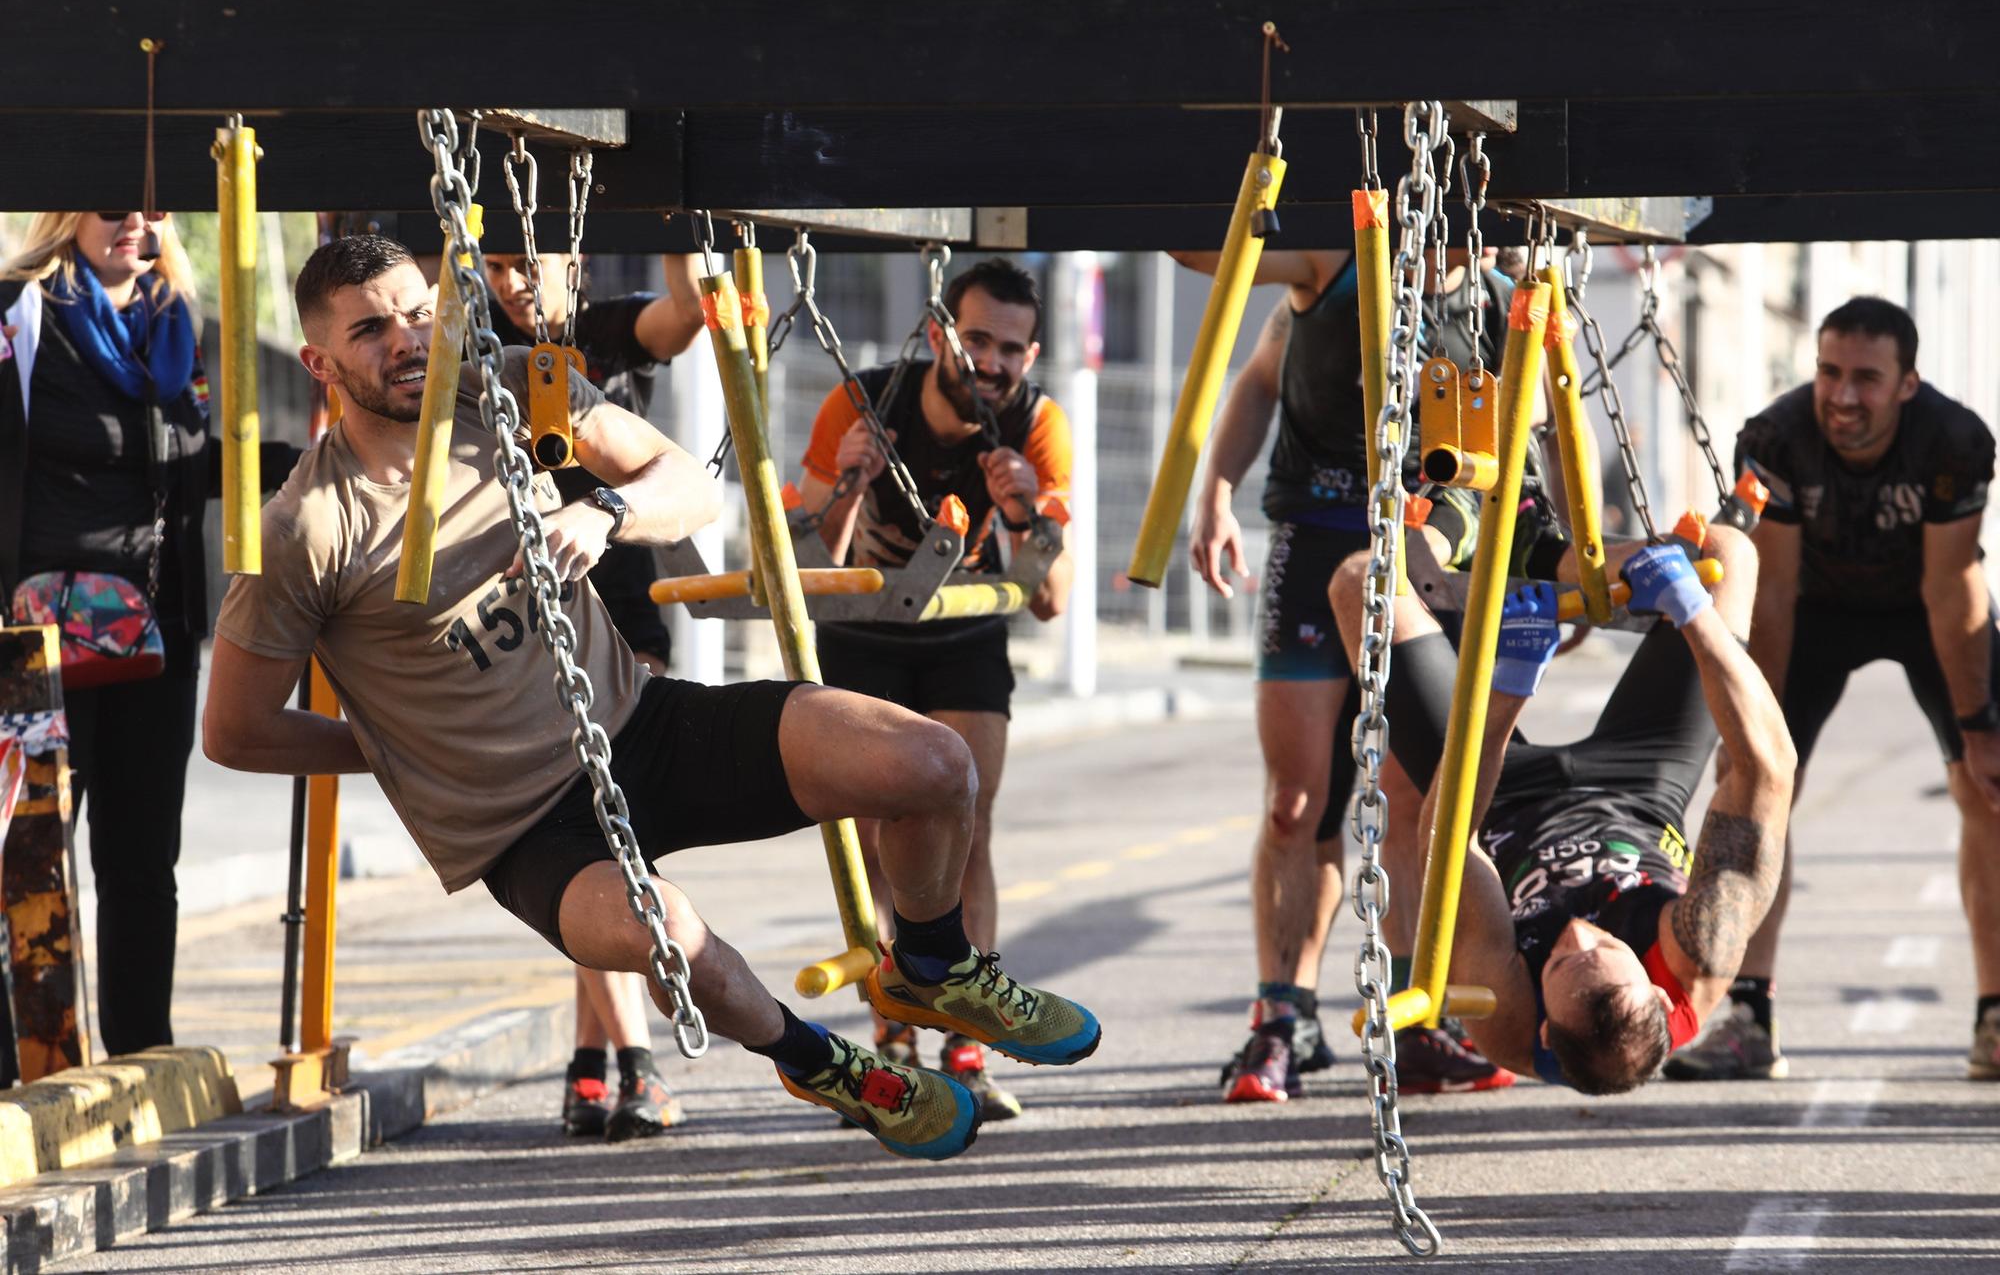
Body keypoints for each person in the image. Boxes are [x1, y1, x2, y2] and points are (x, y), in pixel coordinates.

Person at [201, 236, 1100, 1161]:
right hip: (527, 830)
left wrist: (604, 511)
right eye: (370, 329)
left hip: (643, 723)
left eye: (419, 312)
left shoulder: (511, 383)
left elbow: (687, 486)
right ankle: (817, 1060)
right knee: (668, 932)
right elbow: (234, 729)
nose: (407, 340)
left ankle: (932, 962)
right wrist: (396, 749)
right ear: (319, 361)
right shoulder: (307, 525)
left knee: (932, 765)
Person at [1174, 243, 1554, 1103]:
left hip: (1435, 554)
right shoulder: (1337, 260)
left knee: (1415, 799)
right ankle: (1283, 1014)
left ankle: (1414, 1016)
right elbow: (1238, 331)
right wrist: (1216, 492)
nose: (1459, 239)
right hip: (1320, 531)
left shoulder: (1502, 301)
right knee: (1296, 800)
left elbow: (1539, 449)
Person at [1327, 511, 1796, 1093]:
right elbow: (1767, 771)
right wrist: (1692, 611)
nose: (1576, 933)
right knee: (1729, 551)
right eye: (1604, 945)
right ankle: (1546, 549)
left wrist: (1510, 687)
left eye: (1557, 961)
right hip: (1641, 788)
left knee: (1358, 583)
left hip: (1496, 803)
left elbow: (1446, 839)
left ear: (1545, 1029)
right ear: (1655, 986)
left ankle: (1454, 522)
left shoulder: (1505, 1016)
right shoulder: (1701, 948)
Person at [1667, 296, 2000, 1081]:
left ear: (1907, 385)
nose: (1843, 395)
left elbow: (1953, 588)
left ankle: (1995, 1015)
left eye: (1866, 378)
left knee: (1987, 790)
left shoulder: (1953, 441)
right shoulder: (1777, 437)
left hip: (1923, 607)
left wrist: (1980, 725)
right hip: (1813, 606)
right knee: (1758, 787)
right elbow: (1771, 594)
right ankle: (1748, 1010)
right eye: (1828, 372)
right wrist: (1752, 726)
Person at [0, 211, 288, 1058]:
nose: (133, 220)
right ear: (66, 216)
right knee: (26, 860)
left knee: (141, 861)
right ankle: (21, 1066)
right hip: (29, 640)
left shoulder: (175, 324)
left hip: (151, 637)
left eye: (151, 206)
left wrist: (308, 455)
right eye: (110, 202)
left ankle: (140, 1054)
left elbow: (191, 468)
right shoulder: (19, 313)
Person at [794, 258, 1075, 1122]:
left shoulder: (1038, 425)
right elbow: (809, 567)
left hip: (963, 638)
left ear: (1031, 357)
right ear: (942, 332)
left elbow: (1052, 600)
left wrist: (1025, 517)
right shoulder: (862, 400)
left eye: (1013, 349)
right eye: (978, 338)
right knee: (880, 842)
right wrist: (849, 481)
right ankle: (892, 1043)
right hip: (866, 635)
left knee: (968, 827)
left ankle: (968, 1040)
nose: (992, 362)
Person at [483, 243, 707, 1141]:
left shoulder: (611, 328)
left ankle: (598, 1059)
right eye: (498, 264)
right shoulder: (469, 344)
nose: (515, 282)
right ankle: (634, 1062)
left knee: (617, 834)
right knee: (592, 838)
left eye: (531, 262)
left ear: (574, 258)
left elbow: (688, 313)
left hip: (626, 612)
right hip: (529, 616)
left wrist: (683, 214)